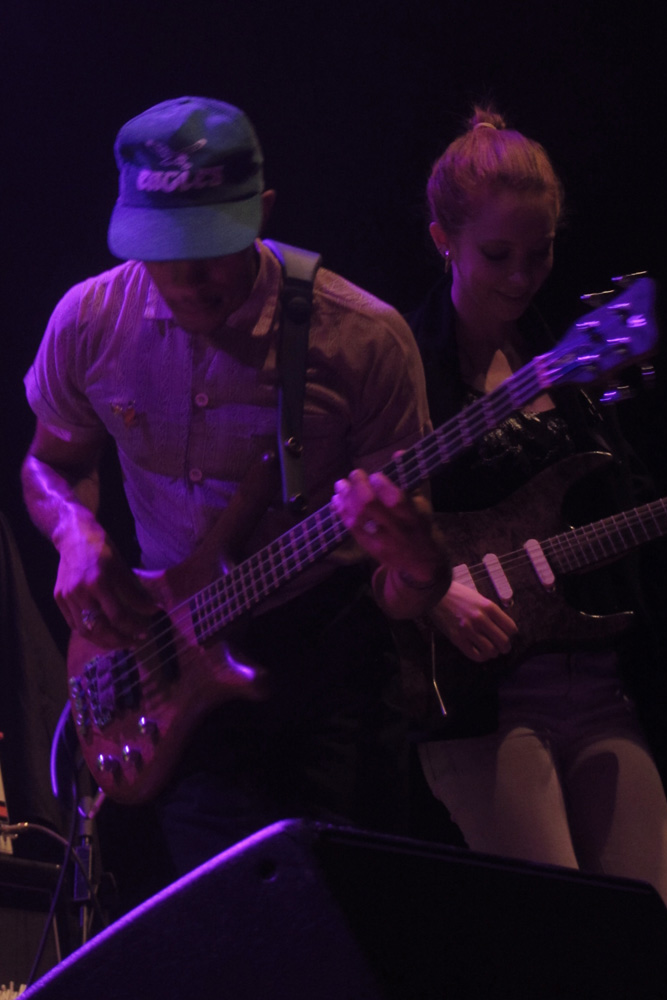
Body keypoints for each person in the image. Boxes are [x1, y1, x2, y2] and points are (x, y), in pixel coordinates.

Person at [21, 96, 450, 909]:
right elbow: (50, 463)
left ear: (263, 212)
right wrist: (74, 529)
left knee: (348, 927)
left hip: (329, 672)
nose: (187, 279)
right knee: (235, 932)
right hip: (174, 665)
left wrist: (420, 566)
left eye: (210, 246)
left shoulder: (364, 338)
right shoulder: (90, 320)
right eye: (163, 250)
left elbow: (405, 594)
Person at [404, 105, 667, 912]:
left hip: (598, 683)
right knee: (565, 941)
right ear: (443, 240)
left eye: (541, 253)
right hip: (484, 701)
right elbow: (358, 525)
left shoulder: (566, 367)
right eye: (498, 255)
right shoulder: (405, 363)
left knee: (663, 936)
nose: (523, 277)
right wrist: (435, 592)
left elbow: (636, 521)